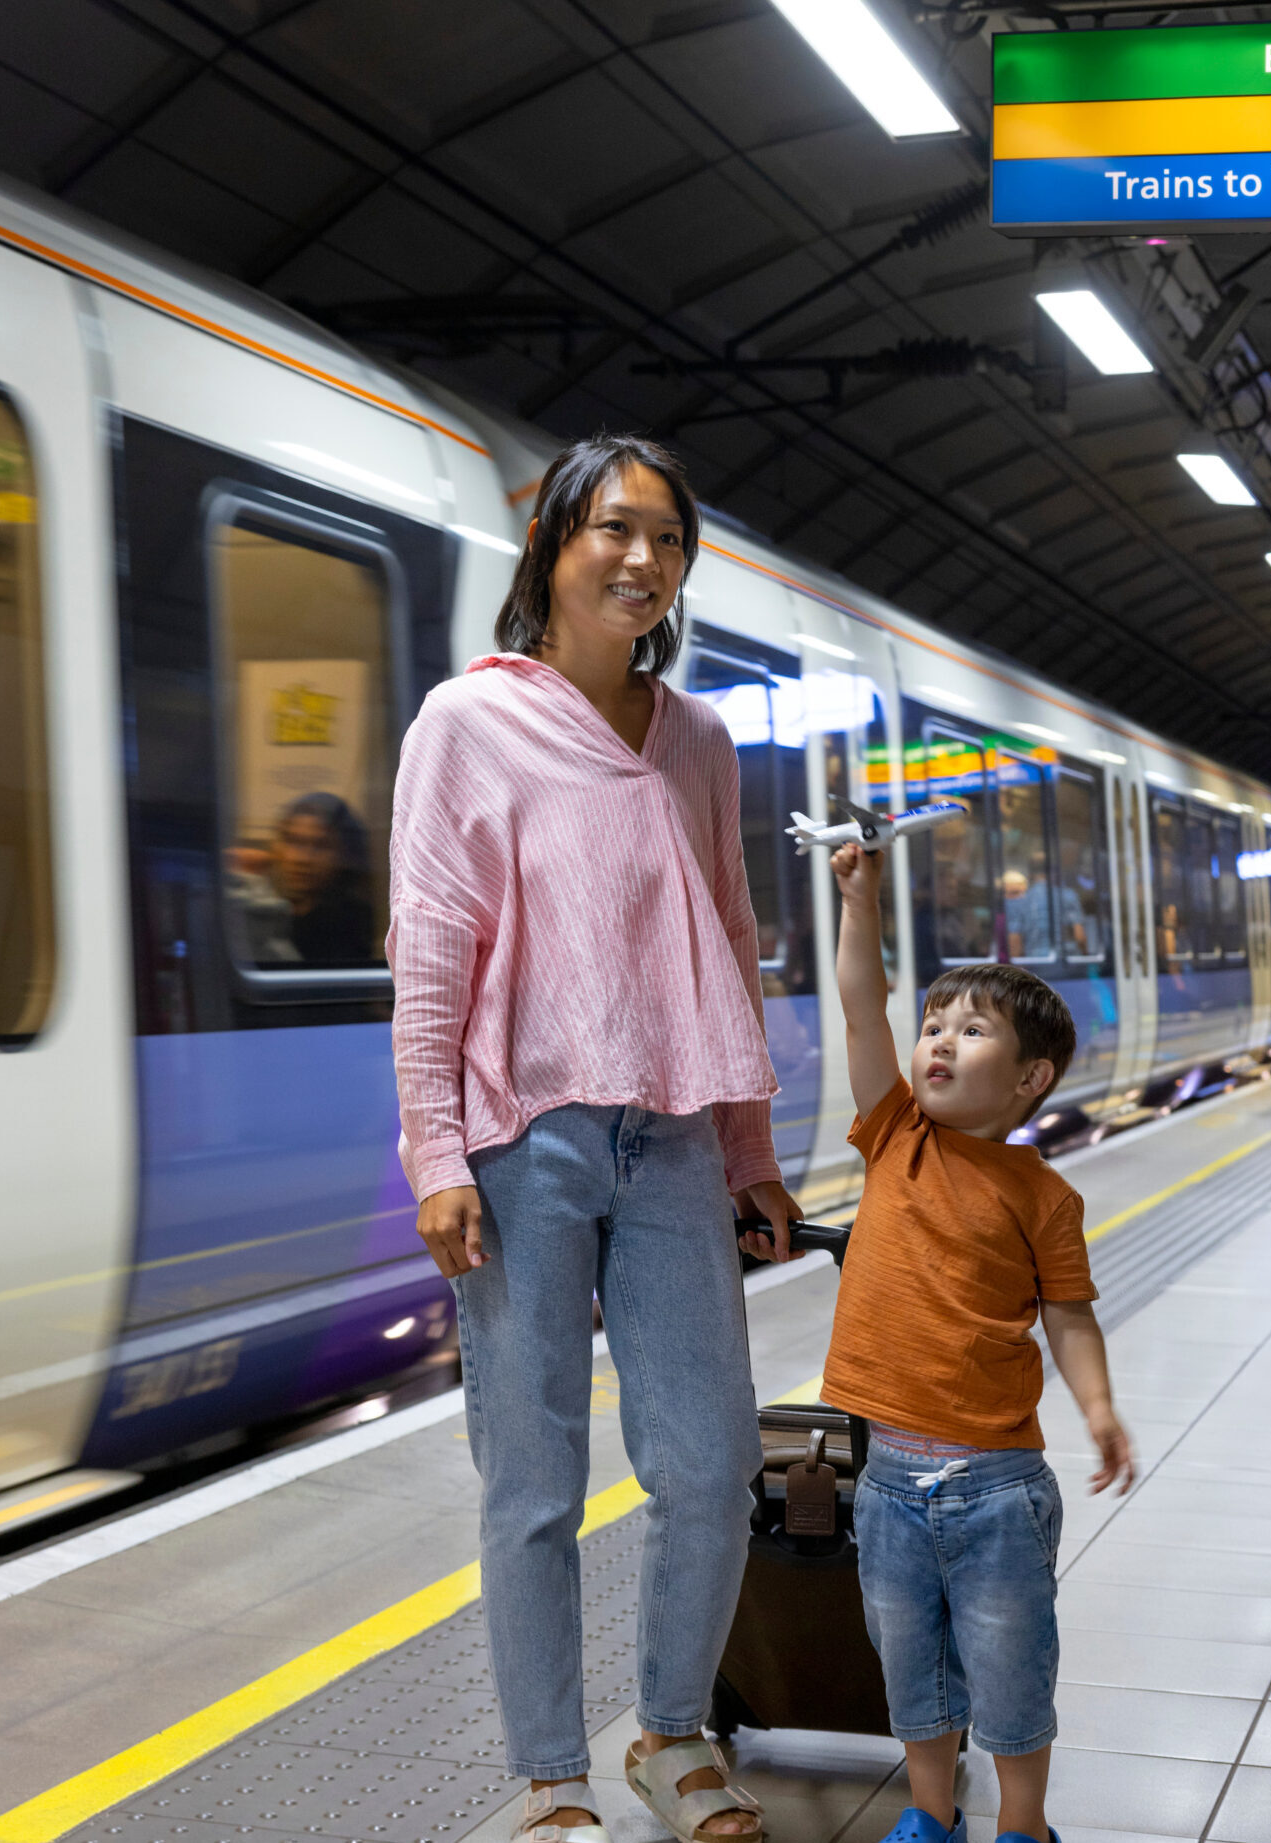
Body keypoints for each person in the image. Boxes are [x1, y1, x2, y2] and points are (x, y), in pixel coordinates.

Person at [388, 435, 798, 1843]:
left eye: (668, 540)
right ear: (553, 544)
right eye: (614, 530)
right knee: (533, 1476)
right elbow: (431, 949)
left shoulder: (696, 739)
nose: (642, 559)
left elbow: (726, 942)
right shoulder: (465, 722)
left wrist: (748, 1149)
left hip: (674, 1135)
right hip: (522, 1140)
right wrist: (433, 1153)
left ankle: (670, 1732)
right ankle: (552, 1773)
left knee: (708, 1459)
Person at [750, 839, 1134, 1843]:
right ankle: (931, 1818)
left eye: (972, 1029)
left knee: (1010, 1667)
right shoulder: (893, 1133)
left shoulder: (1045, 1194)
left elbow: (1070, 1312)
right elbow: (857, 1003)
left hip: (999, 1486)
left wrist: (1095, 1405)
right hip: (885, 1481)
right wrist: (861, 899)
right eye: (935, 1023)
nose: (938, 1039)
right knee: (909, 1669)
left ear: (1031, 1077)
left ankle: (1023, 1825)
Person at [227, 792, 373, 967]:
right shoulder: (267, 906)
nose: (302, 859)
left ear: (343, 856)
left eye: (321, 845)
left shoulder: (350, 924)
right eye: (292, 841)